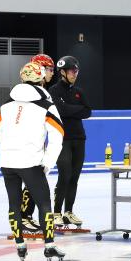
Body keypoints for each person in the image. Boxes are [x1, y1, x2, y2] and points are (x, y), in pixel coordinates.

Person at [0, 62, 68, 261]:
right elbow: (58, 136)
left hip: (7, 161)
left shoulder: (5, 105)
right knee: (44, 203)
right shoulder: (46, 105)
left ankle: (20, 244)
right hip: (31, 162)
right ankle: (49, 245)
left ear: (22, 78)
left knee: (13, 204)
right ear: (41, 79)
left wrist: (6, 154)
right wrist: (48, 163)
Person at [48, 55, 92, 229]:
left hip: (79, 138)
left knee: (74, 177)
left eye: (76, 71)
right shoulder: (54, 91)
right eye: (72, 71)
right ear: (62, 72)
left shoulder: (79, 91)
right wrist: (75, 109)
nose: (75, 74)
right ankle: (56, 212)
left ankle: (68, 211)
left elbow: (87, 112)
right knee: (65, 175)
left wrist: (68, 109)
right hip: (63, 139)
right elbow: (59, 110)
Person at [19, 54, 56, 231]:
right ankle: (23, 216)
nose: (52, 73)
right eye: (49, 69)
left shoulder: (41, 91)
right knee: (33, 181)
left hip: (36, 141)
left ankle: (26, 215)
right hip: (29, 143)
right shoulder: (34, 93)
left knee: (34, 180)